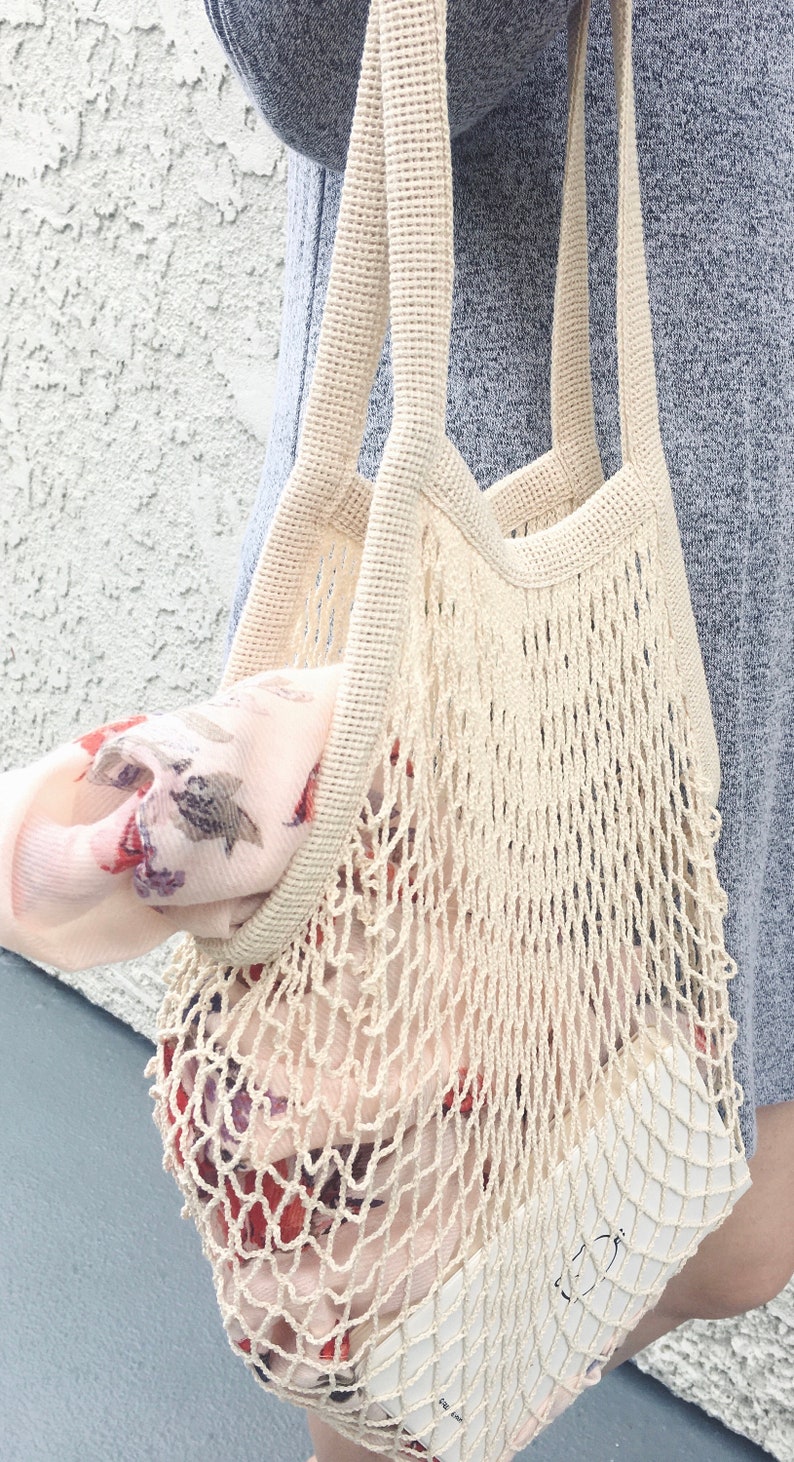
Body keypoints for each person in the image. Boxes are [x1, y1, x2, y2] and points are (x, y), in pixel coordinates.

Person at [202, 0, 794, 1457]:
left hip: (740, 542)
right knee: (412, 1264)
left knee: (731, 1212)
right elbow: (318, 62)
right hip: (503, 589)